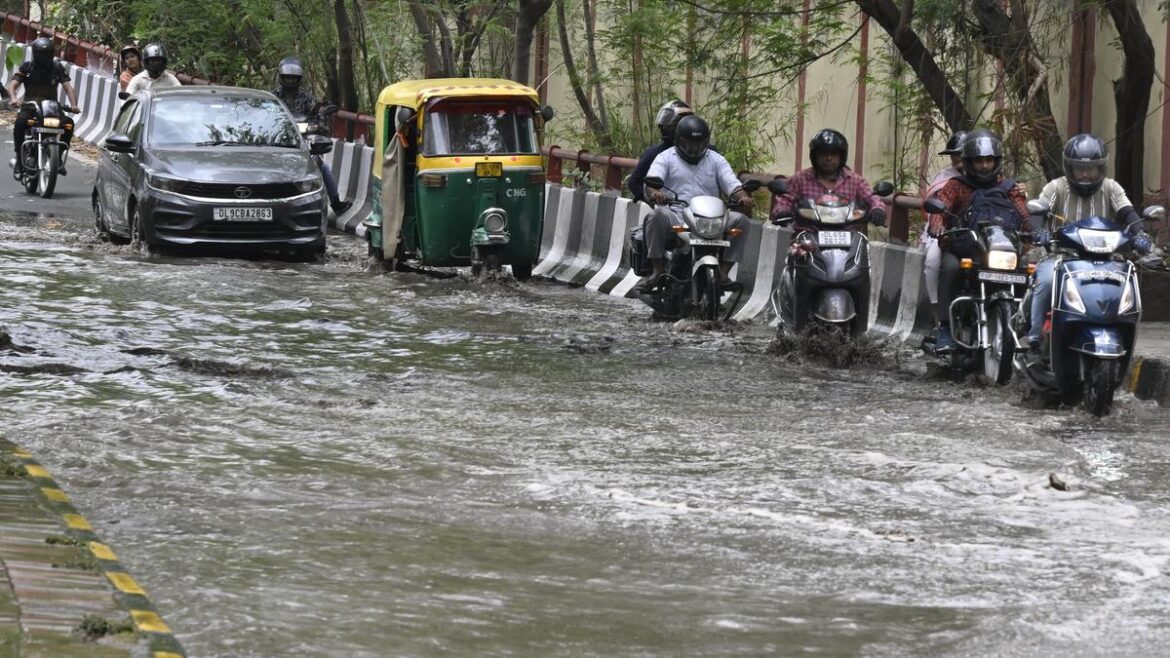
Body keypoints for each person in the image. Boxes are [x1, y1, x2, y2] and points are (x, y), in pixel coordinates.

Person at [1025, 133, 1161, 355]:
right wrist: (1039, 231)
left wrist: (1141, 234)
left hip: (1106, 259)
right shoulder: (1056, 187)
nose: (1086, 174)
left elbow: (1128, 213)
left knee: (1125, 283)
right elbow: (1038, 210)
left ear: (1101, 168)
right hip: (1061, 256)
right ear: (1069, 168)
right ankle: (1034, 337)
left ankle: (1123, 335)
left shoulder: (1111, 187)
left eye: (1092, 169)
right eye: (1080, 169)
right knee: (1048, 280)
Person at [930, 129, 1030, 351]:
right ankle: (945, 327)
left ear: (997, 161)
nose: (984, 166)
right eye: (979, 161)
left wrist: (1034, 230)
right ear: (969, 162)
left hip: (999, 252)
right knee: (950, 268)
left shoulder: (1008, 188)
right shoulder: (956, 185)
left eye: (989, 160)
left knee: (1026, 271)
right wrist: (937, 226)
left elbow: (1024, 215)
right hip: (964, 249)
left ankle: (1024, 327)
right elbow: (941, 208)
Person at [637, 115, 754, 290]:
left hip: (712, 219)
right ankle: (657, 271)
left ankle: (723, 273)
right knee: (657, 215)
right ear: (678, 140)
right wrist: (655, 194)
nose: (694, 148)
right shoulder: (665, 158)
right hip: (677, 216)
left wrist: (743, 197)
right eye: (689, 143)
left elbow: (732, 184)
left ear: (706, 141)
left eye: (699, 143)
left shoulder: (716, 160)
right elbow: (651, 183)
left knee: (741, 220)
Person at [271, 56, 351, 215]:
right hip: (277, 139)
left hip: (301, 139)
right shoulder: (274, 97)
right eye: (288, 78)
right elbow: (266, 114)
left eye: (294, 78)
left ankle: (336, 202)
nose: (290, 81)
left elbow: (316, 110)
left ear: (299, 78)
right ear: (281, 77)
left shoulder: (305, 96)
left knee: (321, 165)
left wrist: (322, 116)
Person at [770, 128, 887, 230]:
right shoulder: (800, 179)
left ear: (841, 156)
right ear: (815, 156)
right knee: (796, 249)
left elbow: (871, 197)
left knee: (862, 247)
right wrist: (782, 211)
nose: (829, 158)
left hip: (847, 237)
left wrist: (878, 210)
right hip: (808, 236)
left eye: (834, 154)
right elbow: (785, 200)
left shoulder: (854, 180)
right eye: (824, 153)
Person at [4, 37, 80, 178]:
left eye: (46, 53)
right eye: (41, 53)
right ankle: (19, 160)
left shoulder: (57, 67)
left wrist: (74, 105)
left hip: (51, 108)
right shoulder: (27, 67)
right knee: (20, 123)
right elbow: (12, 85)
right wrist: (14, 98)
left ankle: (58, 158)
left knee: (68, 124)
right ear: (35, 53)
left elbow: (68, 87)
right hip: (30, 107)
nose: (44, 56)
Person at [921, 130, 967, 337]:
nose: (957, 159)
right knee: (933, 261)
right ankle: (938, 317)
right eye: (954, 155)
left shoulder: (990, 179)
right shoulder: (946, 179)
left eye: (961, 154)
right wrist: (938, 226)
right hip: (946, 232)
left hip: (975, 234)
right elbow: (938, 207)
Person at [627, 99, 693, 203]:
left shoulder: (710, 155)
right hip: (668, 209)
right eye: (663, 125)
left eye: (668, 125)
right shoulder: (654, 154)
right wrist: (652, 200)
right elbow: (635, 182)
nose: (664, 128)